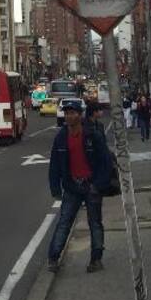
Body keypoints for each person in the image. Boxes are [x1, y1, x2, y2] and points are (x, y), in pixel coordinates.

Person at [47, 101, 112, 273]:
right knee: (64, 222)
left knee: (95, 223)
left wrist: (98, 185)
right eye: (66, 113)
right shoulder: (61, 137)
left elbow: (106, 161)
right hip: (71, 186)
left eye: (72, 113)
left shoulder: (92, 135)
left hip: (91, 185)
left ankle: (96, 259)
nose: (69, 116)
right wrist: (55, 187)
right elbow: (54, 164)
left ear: (80, 115)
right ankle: (53, 258)